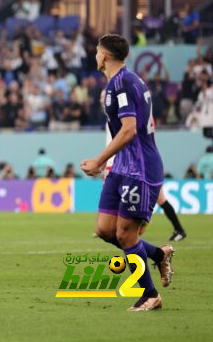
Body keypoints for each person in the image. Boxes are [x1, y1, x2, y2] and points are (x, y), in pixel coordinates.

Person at [81, 34, 174, 312]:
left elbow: (130, 129)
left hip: (139, 168)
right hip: (122, 167)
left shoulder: (121, 84)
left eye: (98, 51)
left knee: (125, 235)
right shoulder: (122, 82)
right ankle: (158, 254)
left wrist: (99, 160)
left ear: (105, 55)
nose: (95, 55)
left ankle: (150, 295)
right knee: (105, 230)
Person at [101, 90, 187, 242]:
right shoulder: (135, 115)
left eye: (104, 96)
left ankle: (149, 224)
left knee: (159, 199)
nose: (104, 99)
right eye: (102, 97)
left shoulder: (127, 117)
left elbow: (126, 139)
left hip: (138, 165)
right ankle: (176, 229)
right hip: (142, 163)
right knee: (160, 199)